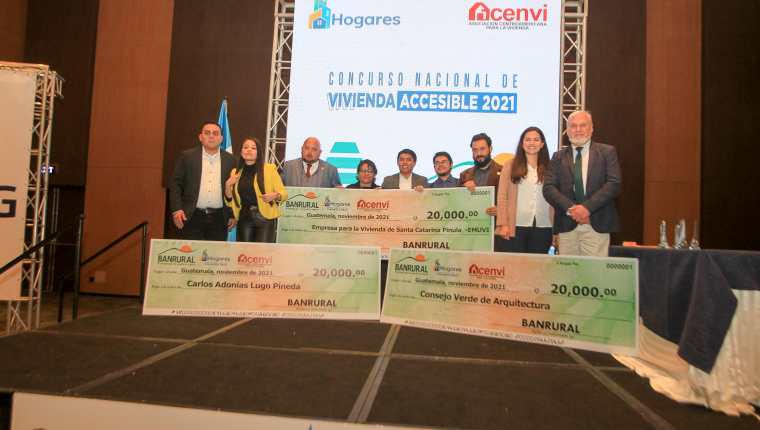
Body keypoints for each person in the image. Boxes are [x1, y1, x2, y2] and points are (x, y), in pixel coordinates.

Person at [543, 110, 622, 257]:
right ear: (567, 130)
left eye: (583, 125)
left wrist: (587, 208)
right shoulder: (558, 157)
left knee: (595, 271)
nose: (578, 130)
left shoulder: (607, 152)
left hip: (596, 225)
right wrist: (572, 210)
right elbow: (548, 188)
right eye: (573, 126)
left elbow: (614, 184)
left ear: (591, 128)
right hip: (567, 226)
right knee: (567, 271)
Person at [169, 122, 236, 241]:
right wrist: (176, 209)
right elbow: (175, 184)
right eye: (207, 133)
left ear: (221, 139)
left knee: (216, 253)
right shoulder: (187, 157)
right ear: (200, 137)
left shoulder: (231, 160)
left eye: (215, 133)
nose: (211, 136)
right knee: (192, 252)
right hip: (191, 216)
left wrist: (232, 214)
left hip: (220, 219)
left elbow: (234, 189)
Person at [496, 127, 554, 253]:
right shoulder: (510, 165)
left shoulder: (551, 167)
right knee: (515, 264)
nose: (531, 143)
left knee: (538, 264)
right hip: (515, 226)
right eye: (528, 140)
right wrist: (503, 224)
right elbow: (502, 196)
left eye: (536, 140)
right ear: (522, 143)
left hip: (544, 226)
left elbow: (554, 198)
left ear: (542, 144)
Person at [224, 137, 287, 242]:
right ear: (241, 152)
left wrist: (275, 195)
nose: (249, 150)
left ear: (259, 152)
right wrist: (227, 185)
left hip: (265, 218)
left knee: (262, 252)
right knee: (244, 251)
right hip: (244, 218)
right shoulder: (235, 172)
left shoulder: (269, 169)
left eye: (253, 148)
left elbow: (284, 193)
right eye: (245, 147)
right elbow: (229, 201)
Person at [459, 133, 502, 250]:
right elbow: (456, 202)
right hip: (469, 232)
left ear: (490, 149)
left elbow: (513, 200)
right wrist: (463, 189)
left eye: (482, 149)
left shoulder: (503, 171)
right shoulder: (464, 175)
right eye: (475, 150)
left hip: (495, 232)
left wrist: (501, 210)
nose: (478, 153)